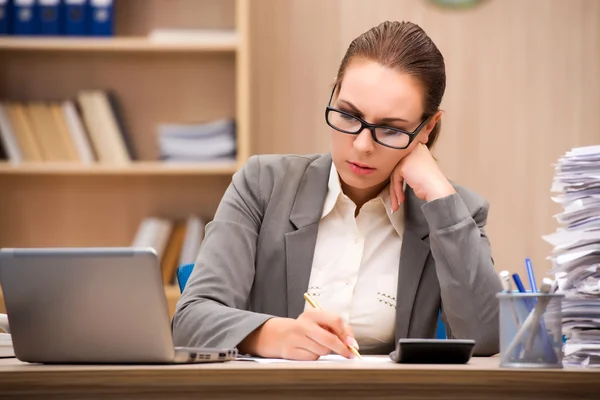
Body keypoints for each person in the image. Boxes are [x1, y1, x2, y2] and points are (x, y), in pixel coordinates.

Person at [172, 20, 502, 360]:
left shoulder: (454, 210)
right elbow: (190, 320)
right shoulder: (261, 184)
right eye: (348, 114)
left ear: (426, 128)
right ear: (335, 93)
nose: (361, 145)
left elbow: (488, 338)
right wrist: (274, 335)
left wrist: (438, 194)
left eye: (390, 129)